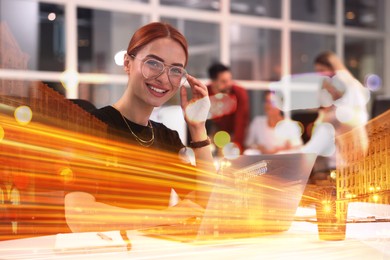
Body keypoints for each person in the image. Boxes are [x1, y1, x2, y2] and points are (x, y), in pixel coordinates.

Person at [65, 22, 215, 232]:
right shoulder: (93, 126)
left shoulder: (166, 138)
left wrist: (198, 127)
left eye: (175, 70)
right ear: (127, 63)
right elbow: (79, 217)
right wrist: (167, 215)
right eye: (153, 63)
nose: (163, 78)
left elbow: (205, 205)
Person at [301, 51, 369, 181]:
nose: (320, 75)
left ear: (332, 67)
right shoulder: (332, 93)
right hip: (335, 154)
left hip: (351, 146)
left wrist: (333, 114)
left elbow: (357, 118)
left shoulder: (351, 86)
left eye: (322, 70)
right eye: (317, 71)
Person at [206, 63, 250, 153]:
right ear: (213, 82)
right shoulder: (205, 93)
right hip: (210, 136)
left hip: (232, 135)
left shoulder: (239, 92)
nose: (229, 84)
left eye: (230, 80)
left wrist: (237, 147)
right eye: (224, 81)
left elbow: (240, 122)